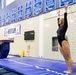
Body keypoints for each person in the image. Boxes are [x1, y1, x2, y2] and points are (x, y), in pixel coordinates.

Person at [57, 4, 73, 74]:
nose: (59, 20)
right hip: (60, 43)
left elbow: (65, 17)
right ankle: (68, 69)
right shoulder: (59, 27)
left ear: (63, 21)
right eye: (59, 20)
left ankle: (70, 70)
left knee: (68, 56)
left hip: (63, 41)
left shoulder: (65, 26)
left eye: (60, 20)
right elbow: (57, 20)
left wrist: (65, 9)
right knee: (64, 57)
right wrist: (58, 14)